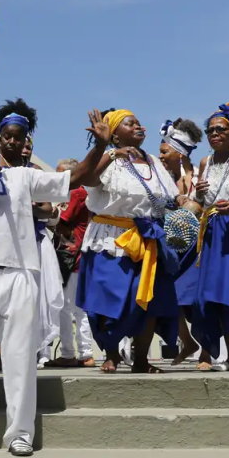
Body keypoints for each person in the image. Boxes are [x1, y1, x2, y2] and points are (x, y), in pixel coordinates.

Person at [0, 111, 108, 456]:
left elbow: (77, 178)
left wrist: (100, 144)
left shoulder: (23, 176)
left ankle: (20, 434)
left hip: (20, 274)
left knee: (20, 359)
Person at [76, 109, 182, 374]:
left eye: (138, 122)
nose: (138, 126)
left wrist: (181, 202)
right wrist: (108, 151)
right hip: (111, 239)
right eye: (129, 123)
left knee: (147, 300)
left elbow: (169, 196)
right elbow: (87, 179)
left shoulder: (154, 162)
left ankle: (142, 359)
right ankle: (111, 354)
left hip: (148, 238)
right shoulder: (106, 158)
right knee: (107, 298)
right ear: (114, 133)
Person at [0, 99, 63, 371]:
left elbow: (45, 209)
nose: (12, 141)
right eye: (6, 136)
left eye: (17, 137)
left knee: (30, 301)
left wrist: (26, 205)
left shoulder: (33, 173)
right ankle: (1, 352)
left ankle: (26, 352)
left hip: (31, 243)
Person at [191, 104, 229, 371]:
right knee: (212, 294)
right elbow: (200, 203)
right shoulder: (206, 162)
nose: (214, 133)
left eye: (220, 129)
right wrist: (199, 194)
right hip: (213, 231)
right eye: (210, 130)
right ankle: (218, 354)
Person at [157, 118, 210, 368]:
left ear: (179, 153)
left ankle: (206, 352)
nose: (161, 155)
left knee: (198, 300)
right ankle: (187, 342)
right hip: (170, 248)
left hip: (198, 247)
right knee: (171, 297)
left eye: (164, 151)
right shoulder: (160, 179)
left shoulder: (202, 175)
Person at [45, 158, 95, 368]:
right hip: (69, 256)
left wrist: (39, 216)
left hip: (72, 257)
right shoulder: (72, 193)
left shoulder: (76, 193)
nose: (57, 178)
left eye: (61, 174)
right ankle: (79, 353)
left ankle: (78, 353)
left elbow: (62, 223)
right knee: (71, 308)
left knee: (69, 308)